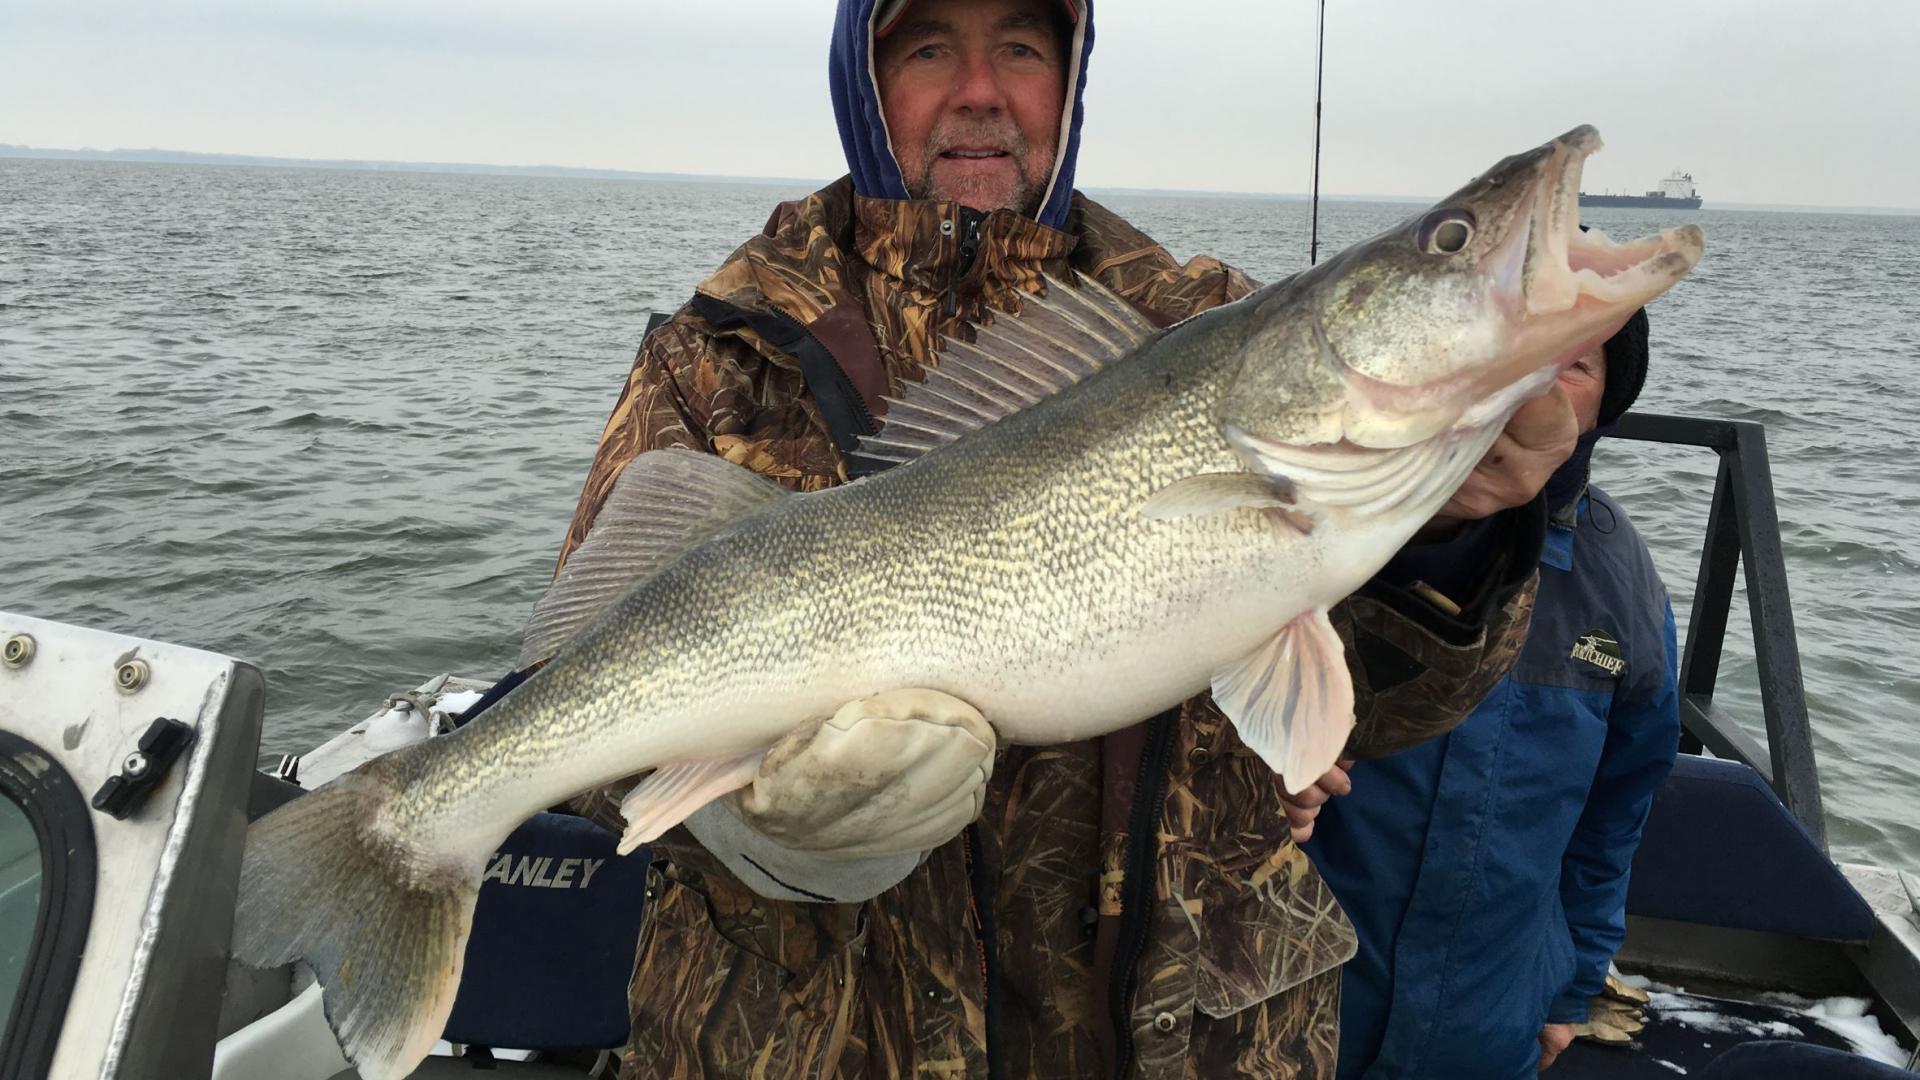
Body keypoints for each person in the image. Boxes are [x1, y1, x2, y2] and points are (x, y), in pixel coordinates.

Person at [553, 1, 1573, 1075]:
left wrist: (1459, 535)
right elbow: (577, 702)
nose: (982, 90)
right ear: (863, 81)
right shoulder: (715, 356)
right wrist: (761, 834)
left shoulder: (1204, 322)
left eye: (1024, 49)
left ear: (1071, 80)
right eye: (930, 47)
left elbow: (1388, 711)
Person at [1299, 308, 1682, 1079]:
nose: (1533, 384)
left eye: (1573, 365)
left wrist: (1568, 991)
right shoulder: (1317, 525)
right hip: (1294, 1006)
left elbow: (1615, 813)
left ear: (1608, 403)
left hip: (1491, 1023)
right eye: (1511, 353)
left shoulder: (1623, 581)